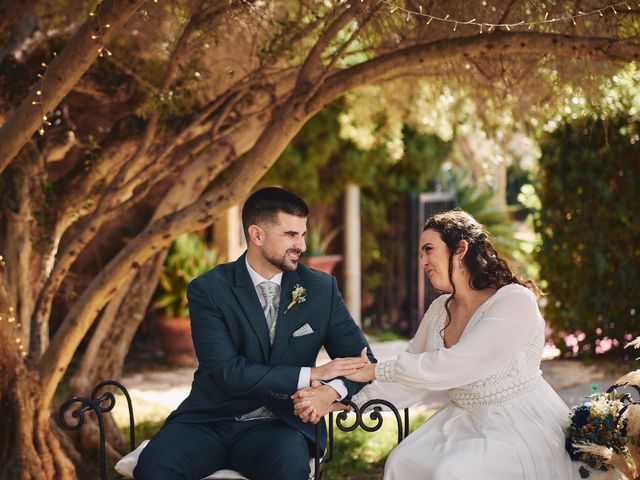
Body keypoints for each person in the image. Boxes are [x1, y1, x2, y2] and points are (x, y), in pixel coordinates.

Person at [294, 209, 579, 479]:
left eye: (429, 250)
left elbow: (457, 364)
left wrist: (374, 371)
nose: (423, 262)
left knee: (451, 472)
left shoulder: (514, 301)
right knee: (402, 461)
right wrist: (343, 399)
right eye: (420, 254)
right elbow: (411, 381)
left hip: (516, 421)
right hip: (462, 420)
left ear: (461, 249)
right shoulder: (439, 309)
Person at [134, 187, 374, 480]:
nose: (301, 245)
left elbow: (363, 361)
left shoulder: (321, 289)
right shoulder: (209, 290)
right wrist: (311, 374)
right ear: (257, 235)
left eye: (302, 234)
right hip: (210, 419)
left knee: (288, 469)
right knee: (153, 467)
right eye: (290, 235)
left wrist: (329, 391)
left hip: (281, 424)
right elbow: (227, 371)